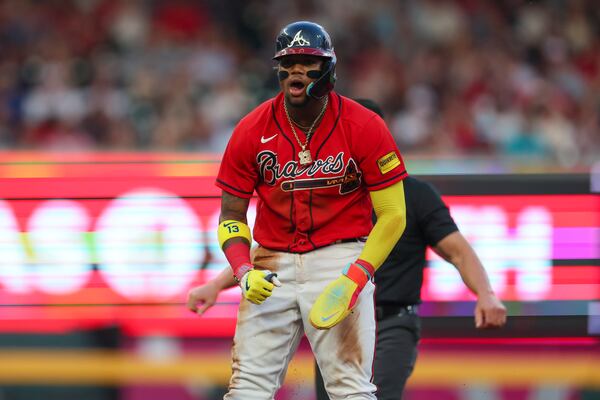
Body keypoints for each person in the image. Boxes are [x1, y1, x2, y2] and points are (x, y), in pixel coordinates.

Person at [188, 98, 507, 400]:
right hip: (331, 314)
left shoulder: (414, 197)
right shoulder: (328, 188)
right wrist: (220, 283)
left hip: (389, 319)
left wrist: (485, 292)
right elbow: (281, 254)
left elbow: (458, 251)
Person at [188, 21, 408, 400]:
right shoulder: (251, 129)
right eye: (288, 63)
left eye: (308, 62)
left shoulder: (364, 125)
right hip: (271, 262)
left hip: (339, 258)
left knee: (350, 389)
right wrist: (242, 271)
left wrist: (356, 275)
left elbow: (394, 214)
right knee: (247, 389)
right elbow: (231, 218)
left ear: (329, 70)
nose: (296, 72)